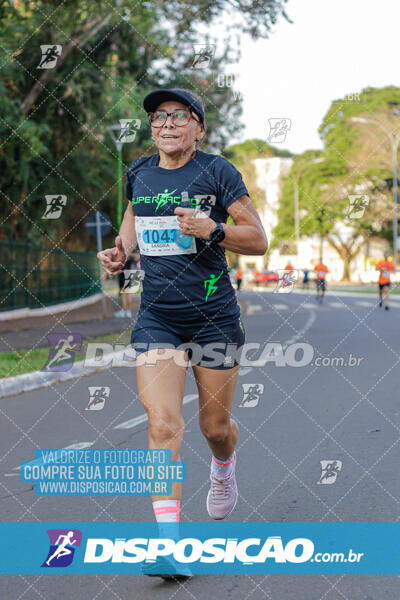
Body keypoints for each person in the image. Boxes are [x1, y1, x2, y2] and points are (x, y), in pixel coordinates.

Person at [97, 87, 268, 580]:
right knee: (163, 425)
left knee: (214, 428)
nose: (166, 123)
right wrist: (121, 250)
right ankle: (170, 546)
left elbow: (257, 239)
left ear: (198, 125)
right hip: (159, 319)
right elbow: (135, 216)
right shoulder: (139, 171)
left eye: (179, 115)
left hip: (214, 315)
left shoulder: (218, 172)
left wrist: (212, 229)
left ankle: (223, 467)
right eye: (157, 116)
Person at [115, 253, 137, 318]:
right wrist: (129, 254)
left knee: (123, 295)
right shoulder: (130, 260)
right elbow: (137, 257)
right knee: (128, 294)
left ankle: (123, 311)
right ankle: (128, 312)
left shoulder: (121, 260)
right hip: (128, 277)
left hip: (122, 277)